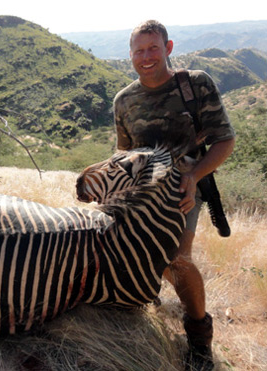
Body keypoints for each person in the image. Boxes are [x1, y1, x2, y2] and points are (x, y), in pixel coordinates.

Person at [113, 20, 236, 370]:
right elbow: (125, 154)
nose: (146, 57)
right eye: (139, 51)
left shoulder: (194, 84)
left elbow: (224, 139)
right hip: (142, 191)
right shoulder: (124, 100)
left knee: (177, 260)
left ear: (168, 48)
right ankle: (144, 305)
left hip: (184, 186)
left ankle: (199, 337)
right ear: (131, 54)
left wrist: (195, 176)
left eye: (153, 48)